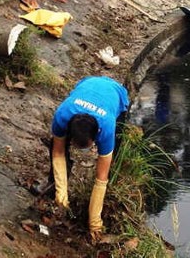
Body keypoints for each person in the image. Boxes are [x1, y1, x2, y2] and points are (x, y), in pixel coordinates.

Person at [49, 76, 130, 242]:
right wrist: (61, 194)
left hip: (115, 93)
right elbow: (58, 153)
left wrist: (94, 223)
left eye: (85, 146)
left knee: (109, 162)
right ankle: (54, 188)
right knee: (56, 146)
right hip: (88, 83)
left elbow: (101, 179)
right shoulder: (62, 115)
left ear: (96, 138)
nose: (82, 150)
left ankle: (105, 197)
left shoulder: (107, 128)